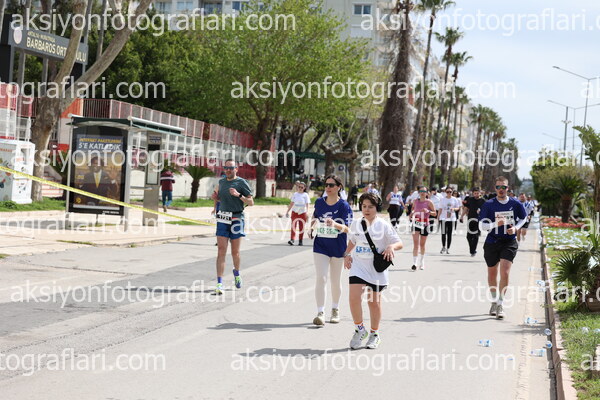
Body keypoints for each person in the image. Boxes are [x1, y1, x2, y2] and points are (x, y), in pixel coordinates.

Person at [327, 192, 403, 349]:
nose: (367, 209)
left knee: (373, 302)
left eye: (370, 207)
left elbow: (399, 243)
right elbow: (353, 240)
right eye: (364, 206)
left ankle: (374, 334)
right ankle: (360, 329)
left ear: (377, 208)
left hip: (376, 269)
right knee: (354, 298)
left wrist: (391, 246)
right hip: (359, 267)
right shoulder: (356, 223)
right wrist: (346, 254)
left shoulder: (383, 225)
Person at [478, 176, 527, 320]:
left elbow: (523, 217)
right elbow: (481, 225)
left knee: (505, 272)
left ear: (508, 188)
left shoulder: (515, 203)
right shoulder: (489, 204)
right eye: (498, 187)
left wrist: (516, 228)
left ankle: (500, 304)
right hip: (492, 241)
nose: (501, 189)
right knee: (492, 274)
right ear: (495, 188)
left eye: (503, 187)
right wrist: (495, 224)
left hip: (509, 242)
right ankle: (494, 301)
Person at [309, 175, 353, 326]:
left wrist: (335, 224)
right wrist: (311, 228)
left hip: (338, 247)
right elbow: (315, 216)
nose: (328, 187)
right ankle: (320, 312)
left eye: (331, 185)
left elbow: (347, 228)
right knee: (321, 278)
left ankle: (335, 309)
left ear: (338, 187)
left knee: (335, 280)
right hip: (320, 245)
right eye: (326, 184)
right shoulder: (320, 202)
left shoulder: (344, 206)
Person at [211, 160, 254, 295]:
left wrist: (238, 195)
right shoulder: (221, 182)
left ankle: (236, 272)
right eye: (226, 168)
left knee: (235, 252)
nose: (228, 170)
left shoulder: (241, 183)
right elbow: (219, 198)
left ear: (236, 169)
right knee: (221, 250)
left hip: (237, 218)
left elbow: (251, 202)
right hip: (223, 217)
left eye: (231, 168)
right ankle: (219, 283)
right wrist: (215, 198)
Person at [409, 186, 436, 270]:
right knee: (415, 244)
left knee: (422, 245)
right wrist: (411, 213)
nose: (422, 193)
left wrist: (428, 211)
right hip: (416, 223)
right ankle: (414, 263)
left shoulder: (429, 202)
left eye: (424, 191)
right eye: (421, 191)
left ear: (427, 193)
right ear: (418, 192)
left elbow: (435, 213)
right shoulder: (415, 201)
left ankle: (422, 262)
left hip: (425, 224)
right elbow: (413, 209)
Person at [461, 187, 486, 256]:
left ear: (480, 193)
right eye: (475, 193)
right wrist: (462, 216)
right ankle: (472, 249)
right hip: (470, 219)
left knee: (475, 235)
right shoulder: (470, 200)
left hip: (478, 220)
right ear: (473, 193)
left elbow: (486, 210)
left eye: (477, 193)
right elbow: (466, 208)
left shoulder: (483, 201)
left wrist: (482, 212)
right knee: (468, 236)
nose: (476, 194)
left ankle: (473, 250)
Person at [286, 181, 311, 246]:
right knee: (293, 226)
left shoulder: (305, 195)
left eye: (302, 187)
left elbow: (307, 204)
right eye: (299, 187)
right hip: (295, 211)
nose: (300, 188)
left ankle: (300, 240)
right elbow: (292, 203)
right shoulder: (295, 194)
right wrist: (288, 211)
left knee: (301, 227)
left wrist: (307, 212)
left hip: (302, 212)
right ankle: (292, 239)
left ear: (304, 188)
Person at [438, 187, 461, 254]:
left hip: (451, 218)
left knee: (449, 234)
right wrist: (438, 217)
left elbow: (458, 207)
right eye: (447, 192)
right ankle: (443, 247)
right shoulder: (442, 199)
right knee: (443, 233)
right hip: (443, 218)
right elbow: (440, 208)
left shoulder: (454, 199)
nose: (449, 193)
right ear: (445, 192)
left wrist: (454, 209)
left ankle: (448, 248)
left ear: (452, 192)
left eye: (450, 192)